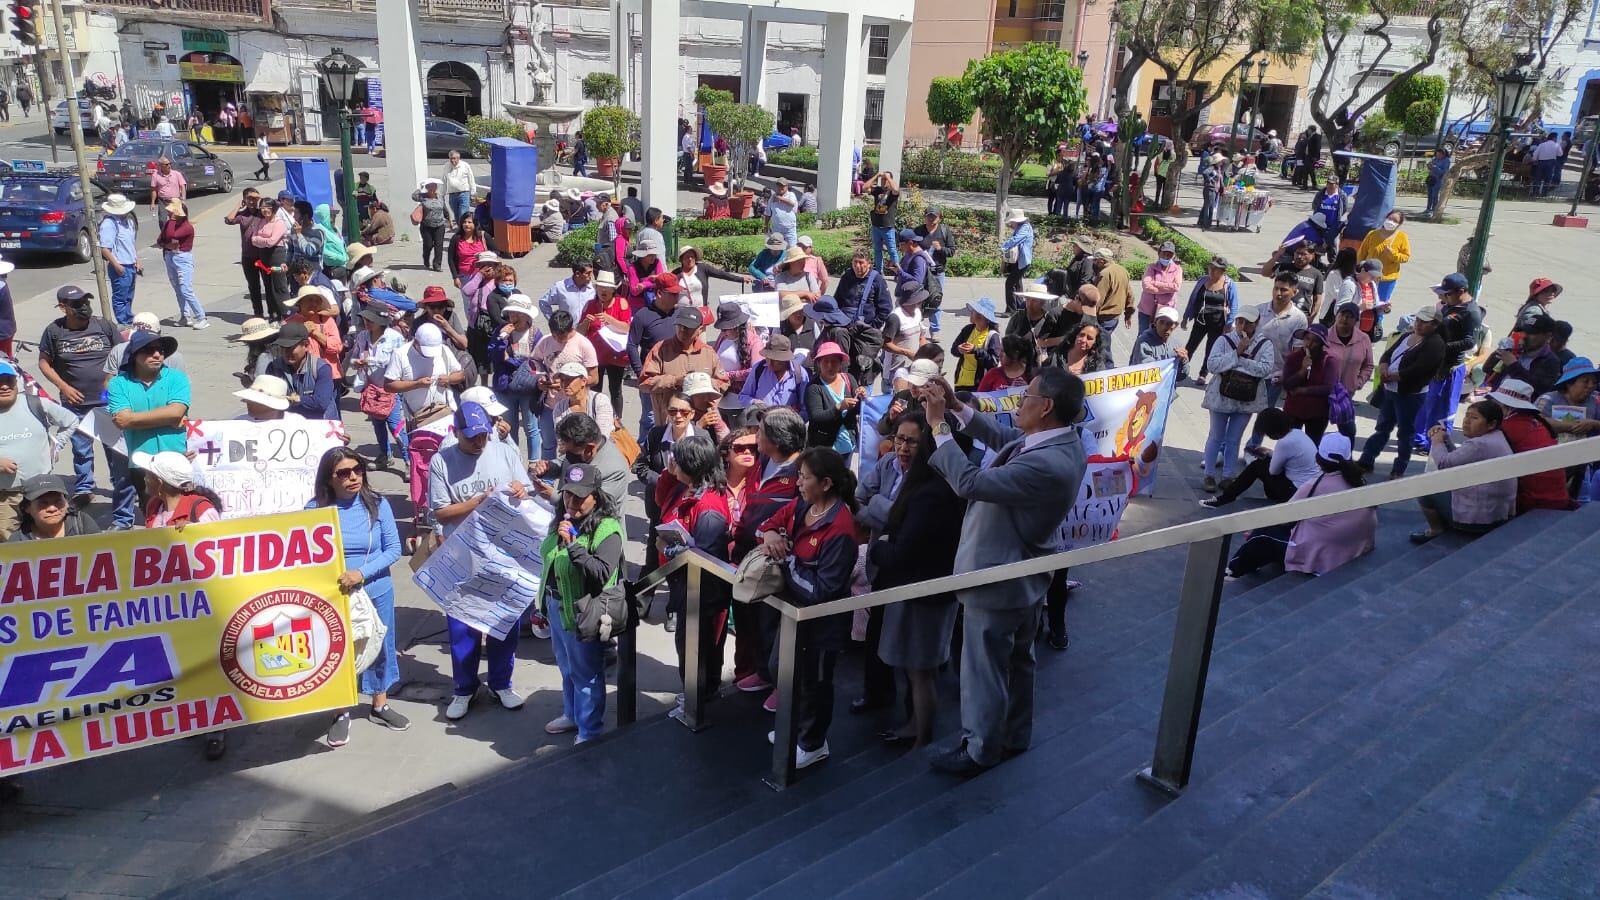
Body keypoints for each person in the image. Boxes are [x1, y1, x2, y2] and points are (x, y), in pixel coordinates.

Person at [914, 368, 1087, 775]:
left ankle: (980, 748)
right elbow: (1008, 441)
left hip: (997, 575)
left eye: (1025, 396)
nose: (1018, 403)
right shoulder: (1061, 443)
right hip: (1024, 575)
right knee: (1018, 660)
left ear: (1045, 407)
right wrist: (958, 409)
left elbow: (970, 482)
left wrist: (938, 426)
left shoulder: (1048, 465)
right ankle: (1013, 734)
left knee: (984, 667)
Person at [755, 447, 861, 768]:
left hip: (821, 623)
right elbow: (771, 522)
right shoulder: (803, 505)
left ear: (826, 483)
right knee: (782, 670)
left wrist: (786, 559)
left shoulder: (839, 529)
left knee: (814, 683)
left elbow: (822, 591)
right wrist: (773, 533)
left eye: (805, 477)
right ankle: (793, 727)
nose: (798, 483)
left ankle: (813, 743)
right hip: (792, 614)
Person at [865, 412, 963, 747]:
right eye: (900, 439)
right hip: (922, 587)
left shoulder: (930, 495)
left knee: (920, 671)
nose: (903, 449)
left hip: (924, 591)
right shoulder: (936, 487)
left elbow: (906, 549)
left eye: (913, 442)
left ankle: (922, 738)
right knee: (915, 669)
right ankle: (915, 727)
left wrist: (875, 551)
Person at [430, 402, 532, 719]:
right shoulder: (441, 461)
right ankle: (464, 688)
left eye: (483, 435)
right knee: (463, 624)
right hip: (463, 552)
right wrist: (477, 502)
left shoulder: (503, 451)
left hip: (504, 551)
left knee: (505, 620)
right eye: (472, 436)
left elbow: (525, 490)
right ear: (456, 432)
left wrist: (520, 489)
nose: (479, 442)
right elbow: (441, 511)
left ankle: (502, 683)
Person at [307, 447, 408, 746]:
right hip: (336, 595)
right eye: (343, 473)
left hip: (376, 590)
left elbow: (393, 550)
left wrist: (361, 574)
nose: (353, 477)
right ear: (329, 478)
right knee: (339, 652)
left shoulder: (378, 504)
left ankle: (380, 703)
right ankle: (341, 711)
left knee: (380, 646)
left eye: (358, 470)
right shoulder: (314, 510)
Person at [536, 461, 623, 743]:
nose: (572, 501)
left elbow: (602, 573)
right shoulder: (562, 519)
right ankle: (572, 715)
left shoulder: (606, 528)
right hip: (556, 606)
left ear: (596, 497)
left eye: (580, 496)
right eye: (567, 494)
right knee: (566, 667)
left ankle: (589, 731)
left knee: (586, 674)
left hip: (582, 612)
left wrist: (574, 546)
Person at [1225, 433, 1375, 577]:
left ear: (1318, 459)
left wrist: (1255, 526)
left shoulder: (1314, 485)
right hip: (1355, 547)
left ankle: (1233, 570)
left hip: (1323, 556)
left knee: (1261, 535)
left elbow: (1283, 518)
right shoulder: (1361, 483)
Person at [656, 432, 733, 713]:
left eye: (676, 460)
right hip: (684, 585)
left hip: (702, 592)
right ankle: (698, 695)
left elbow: (705, 556)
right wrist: (669, 473)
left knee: (697, 649)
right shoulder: (685, 488)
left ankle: (697, 701)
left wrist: (668, 549)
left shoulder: (708, 506)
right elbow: (660, 499)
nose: (671, 463)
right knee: (692, 646)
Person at [37, 286, 123, 516]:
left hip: (107, 401)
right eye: (76, 304)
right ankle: (84, 488)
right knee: (81, 448)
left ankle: (121, 486)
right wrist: (63, 386)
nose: (83, 307)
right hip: (75, 403)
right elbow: (44, 363)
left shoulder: (104, 326)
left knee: (114, 447)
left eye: (85, 301)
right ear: (63, 307)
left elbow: (123, 353)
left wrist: (115, 382)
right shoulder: (54, 331)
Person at [107, 330, 190, 519]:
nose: (157, 355)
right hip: (142, 463)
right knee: (151, 514)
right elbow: (122, 421)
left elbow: (176, 411)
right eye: (149, 350)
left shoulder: (177, 378)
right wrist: (168, 417)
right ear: (135, 355)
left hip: (178, 459)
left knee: (184, 514)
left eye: (160, 350)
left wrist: (133, 420)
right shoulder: (118, 384)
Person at [1358, 306, 1446, 478]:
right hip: (1390, 391)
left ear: (1435, 325)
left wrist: (1395, 376)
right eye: (1418, 320)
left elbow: (1419, 370)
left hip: (1410, 395)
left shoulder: (1435, 344)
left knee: (1405, 432)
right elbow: (1388, 355)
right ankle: (1366, 460)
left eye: (1424, 322)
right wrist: (1383, 367)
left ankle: (1399, 468)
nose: (1419, 325)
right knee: (1382, 427)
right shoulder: (1406, 336)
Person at [1412, 401, 1517, 542]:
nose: (1467, 421)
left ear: (1491, 424)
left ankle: (1435, 530)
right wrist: (1445, 439)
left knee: (1425, 488)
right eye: (1467, 415)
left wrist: (1436, 441)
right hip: (1497, 513)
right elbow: (1459, 458)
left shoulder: (1479, 444)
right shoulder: (1496, 436)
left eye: (1474, 418)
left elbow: (1445, 463)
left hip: (1481, 519)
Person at [1199, 306, 1278, 493]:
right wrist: (1236, 353)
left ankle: (1228, 476)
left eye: (1247, 322)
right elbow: (1212, 365)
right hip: (1221, 396)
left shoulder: (1264, 344)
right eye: (1239, 321)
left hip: (1247, 400)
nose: (1242, 325)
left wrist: (1239, 361)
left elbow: (1265, 369)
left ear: (1256, 324)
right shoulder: (1224, 340)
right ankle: (1209, 474)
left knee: (1234, 439)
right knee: (1216, 436)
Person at [0, 361, 77, 539]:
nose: (4, 386)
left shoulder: (35, 404)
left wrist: (56, 445)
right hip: (6, 498)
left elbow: (71, 421)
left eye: (8, 380)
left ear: (16, 382)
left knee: (48, 541)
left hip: (43, 494)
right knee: (8, 548)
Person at [1243, 274, 1311, 454]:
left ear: (1294, 292)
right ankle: (1225, 448)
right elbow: (1246, 339)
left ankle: (1252, 448)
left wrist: (1285, 373)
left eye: (1284, 290)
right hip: (1251, 372)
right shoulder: (1259, 311)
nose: (1278, 293)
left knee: (1265, 414)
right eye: (1276, 288)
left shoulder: (1298, 319)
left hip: (1275, 375)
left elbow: (1297, 352)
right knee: (1240, 412)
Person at [1489, 379, 1577, 513]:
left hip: (1534, 503)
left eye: (1495, 404)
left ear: (1505, 406)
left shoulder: (1507, 427)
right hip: (1559, 498)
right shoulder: (1538, 422)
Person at [1202, 409, 1319, 508]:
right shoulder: (1298, 433)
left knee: (1257, 466)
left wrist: (1268, 457)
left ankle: (1225, 498)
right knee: (1263, 462)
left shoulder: (1284, 442)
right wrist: (1270, 453)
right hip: (1309, 488)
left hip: (1293, 492)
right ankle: (1228, 496)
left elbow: (1273, 471)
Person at [1420, 272, 1484, 448]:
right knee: (1430, 404)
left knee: (1445, 410)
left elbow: (1470, 342)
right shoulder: (1450, 305)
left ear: (1461, 291)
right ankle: (1426, 439)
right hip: (1437, 365)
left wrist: (1442, 346)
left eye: (1448, 294)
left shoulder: (1472, 312)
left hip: (1452, 368)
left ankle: (1441, 444)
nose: (1444, 297)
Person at [640, 304, 729, 426]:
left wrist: (705, 383)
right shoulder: (661, 349)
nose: (682, 330)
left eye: (688, 327)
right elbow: (644, 383)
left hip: (702, 425)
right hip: (669, 424)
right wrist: (675, 381)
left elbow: (723, 382)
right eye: (679, 326)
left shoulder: (708, 353)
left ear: (700, 329)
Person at [1323, 303, 1376, 439]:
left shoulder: (1363, 339)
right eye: (1342, 315)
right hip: (1323, 393)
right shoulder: (1324, 336)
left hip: (1345, 394)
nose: (1345, 319)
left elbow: (1368, 365)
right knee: (1316, 431)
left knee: (1348, 432)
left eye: (1350, 316)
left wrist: (1358, 382)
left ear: (1356, 321)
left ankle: (1346, 459)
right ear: (1336, 315)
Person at [1181, 256, 1237, 385]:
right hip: (1200, 320)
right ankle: (1180, 369)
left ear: (1223, 271)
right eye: (1210, 267)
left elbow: (1234, 306)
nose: (1211, 271)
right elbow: (1193, 299)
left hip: (1218, 323)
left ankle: (1203, 373)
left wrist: (1229, 324)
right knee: (1191, 345)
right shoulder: (1203, 281)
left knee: (1211, 349)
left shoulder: (1229, 285)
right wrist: (1185, 317)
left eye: (1215, 269)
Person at [1281, 323, 1338, 441]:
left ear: (1322, 344)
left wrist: (1303, 390)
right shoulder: (1294, 357)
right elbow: (1286, 385)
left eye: (1315, 341)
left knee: (1312, 447)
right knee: (1289, 444)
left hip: (1317, 413)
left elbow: (1328, 388)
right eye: (1307, 339)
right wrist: (1302, 371)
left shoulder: (1329, 361)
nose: (1309, 344)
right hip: (1293, 411)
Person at [804, 342, 862, 457]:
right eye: (826, 361)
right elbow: (816, 417)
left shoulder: (849, 379)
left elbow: (858, 409)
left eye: (834, 361)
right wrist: (838, 407)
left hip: (847, 446)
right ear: (819, 363)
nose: (830, 366)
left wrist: (862, 397)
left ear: (840, 363)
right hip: (824, 450)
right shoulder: (814, 387)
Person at [1484, 313, 1562, 399]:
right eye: (1524, 331)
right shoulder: (1516, 350)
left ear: (1547, 336)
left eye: (1531, 333)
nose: (1524, 336)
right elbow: (1486, 370)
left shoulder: (1550, 361)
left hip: (1518, 408)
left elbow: (1539, 388)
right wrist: (1499, 352)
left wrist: (1513, 365)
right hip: (1496, 399)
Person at [7, 474, 96, 542]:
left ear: (66, 503)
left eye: (58, 502)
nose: (52, 509)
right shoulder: (18, 540)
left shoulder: (82, 524)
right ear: (27, 507)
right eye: (43, 503)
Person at [1355, 209, 1411, 317]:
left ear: (1399, 224)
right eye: (1390, 218)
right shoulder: (1373, 234)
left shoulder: (1402, 237)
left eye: (1395, 221)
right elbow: (1361, 254)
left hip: (1387, 279)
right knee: (1365, 302)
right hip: (1368, 276)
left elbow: (1405, 257)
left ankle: (1377, 326)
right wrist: (1358, 269)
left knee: (1381, 305)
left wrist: (1393, 254)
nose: (1391, 222)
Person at [98, 193, 142, 326]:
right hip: (120, 265)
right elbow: (105, 248)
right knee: (120, 297)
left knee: (128, 296)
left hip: (131, 264)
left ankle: (128, 318)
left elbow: (131, 243)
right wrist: (116, 265)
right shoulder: (109, 224)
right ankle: (123, 322)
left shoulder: (128, 222)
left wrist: (137, 259)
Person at [740, 335, 809, 412]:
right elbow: (743, 396)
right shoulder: (758, 369)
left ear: (784, 359)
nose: (770, 363)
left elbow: (806, 407)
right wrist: (753, 402)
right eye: (768, 358)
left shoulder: (799, 373)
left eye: (775, 360)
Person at [286, 285, 343, 376]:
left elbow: (337, 347)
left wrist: (315, 333)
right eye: (310, 300)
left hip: (329, 374)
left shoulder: (327, 321)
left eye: (317, 301)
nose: (314, 304)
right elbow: (286, 350)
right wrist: (302, 332)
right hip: (301, 375)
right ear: (300, 302)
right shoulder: (288, 323)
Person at [951, 298, 1003, 391]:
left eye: (973, 311)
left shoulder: (992, 336)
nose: (970, 314)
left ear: (981, 316)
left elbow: (993, 362)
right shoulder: (968, 329)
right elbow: (953, 350)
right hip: (961, 382)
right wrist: (959, 349)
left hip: (979, 385)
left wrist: (975, 350)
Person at [1137, 241, 1184, 333]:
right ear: (1159, 253)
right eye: (1164, 254)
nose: (1166, 257)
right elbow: (1146, 286)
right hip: (1147, 311)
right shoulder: (1151, 267)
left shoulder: (1177, 269)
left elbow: (1176, 287)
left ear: (1173, 255)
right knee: (1142, 336)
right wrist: (1167, 290)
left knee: (1160, 336)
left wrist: (1155, 283)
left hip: (1165, 312)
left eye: (1170, 254)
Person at [1129, 308, 1189, 380]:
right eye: (1161, 322)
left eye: (1169, 323)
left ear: (1175, 325)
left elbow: (1182, 376)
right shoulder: (1144, 342)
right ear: (1155, 322)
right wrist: (1173, 357)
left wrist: (1183, 360)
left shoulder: (1176, 344)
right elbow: (1147, 373)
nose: (1164, 327)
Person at [1091, 249, 1133, 336]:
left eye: (1095, 260)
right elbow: (1129, 294)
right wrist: (1128, 314)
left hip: (1103, 319)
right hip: (1114, 318)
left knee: (1101, 345)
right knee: (1105, 341)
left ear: (1101, 261)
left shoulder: (1104, 274)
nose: (1093, 263)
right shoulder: (1123, 270)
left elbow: (1098, 299)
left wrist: (1089, 317)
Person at [1000, 210, 1035, 314]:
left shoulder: (1024, 228)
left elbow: (1016, 240)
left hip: (1023, 261)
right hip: (1019, 261)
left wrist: (1003, 247)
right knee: (1017, 284)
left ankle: (1011, 310)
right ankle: (1020, 308)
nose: (1010, 224)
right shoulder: (1021, 227)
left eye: (1012, 222)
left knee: (1009, 283)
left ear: (1017, 221)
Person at [866, 171, 901, 271]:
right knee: (877, 250)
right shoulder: (877, 190)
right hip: (876, 226)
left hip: (888, 227)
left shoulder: (893, 193)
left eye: (885, 180)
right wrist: (876, 175)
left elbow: (896, 189)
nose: (883, 181)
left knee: (892, 250)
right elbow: (864, 187)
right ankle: (879, 271)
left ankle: (898, 271)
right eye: (882, 180)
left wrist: (888, 179)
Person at [412, 179, 448, 271]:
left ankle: (437, 265)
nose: (432, 189)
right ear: (427, 188)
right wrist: (420, 187)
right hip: (426, 226)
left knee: (438, 245)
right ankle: (426, 258)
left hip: (440, 225)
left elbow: (444, 209)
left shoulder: (440, 197)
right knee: (428, 245)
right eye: (430, 187)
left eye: (434, 186)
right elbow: (413, 196)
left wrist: (449, 219)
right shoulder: (423, 197)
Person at [447, 215, 489, 289]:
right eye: (464, 222)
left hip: (483, 275)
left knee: (483, 299)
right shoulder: (456, 238)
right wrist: (455, 277)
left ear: (475, 224)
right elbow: (451, 259)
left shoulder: (482, 236)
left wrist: (484, 255)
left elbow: (496, 251)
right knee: (468, 300)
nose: (466, 224)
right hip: (464, 277)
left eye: (469, 222)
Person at [441, 151, 478, 225]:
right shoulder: (446, 166)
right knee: (457, 216)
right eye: (451, 158)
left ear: (458, 158)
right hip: (452, 194)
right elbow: (444, 180)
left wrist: (473, 192)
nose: (452, 160)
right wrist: (442, 193)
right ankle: (460, 231)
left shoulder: (465, 165)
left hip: (464, 193)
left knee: (463, 215)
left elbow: (471, 179)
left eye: (454, 158)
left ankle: (463, 232)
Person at [148, 155, 187, 226]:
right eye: (166, 164)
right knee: (162, 221)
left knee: (177, 221)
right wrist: (152, 203)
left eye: (170, 163)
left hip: (175, 200)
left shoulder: (177, 174)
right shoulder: (155, 175)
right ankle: (164, 235)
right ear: (160, 166)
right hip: (163, 201)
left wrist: (183, 199)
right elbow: (154, 190)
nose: (169, 165)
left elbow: (182, 186)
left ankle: (175, 235)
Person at [1422, 148, 1452, 218]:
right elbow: (1431, 167)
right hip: (1431, 178)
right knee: (1430, 195)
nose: (1437, 155)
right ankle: (1428, 209)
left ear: (1443, 154)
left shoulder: (1446, 161)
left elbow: (1444, 171)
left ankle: (1433, 210)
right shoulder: (1435, 159)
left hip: (1438, 179)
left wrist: (1435, 167)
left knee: (1435, 195)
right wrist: (1429, 166)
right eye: (1437, 154)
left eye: (1439, 154)